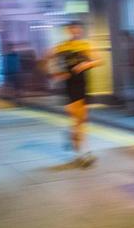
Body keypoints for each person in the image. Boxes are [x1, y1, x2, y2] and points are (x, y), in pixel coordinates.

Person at [44, 21, 102, 166]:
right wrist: (56, 73)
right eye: (73, 29)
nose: (75, 31)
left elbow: (99, 60)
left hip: (83, 85)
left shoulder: (86, 45)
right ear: (68, 30)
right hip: (69, 86)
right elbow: (47, 58)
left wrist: (86, 64)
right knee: (78, 120)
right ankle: (83, 152)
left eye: (78, 29)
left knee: (80, 121)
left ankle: (79, 148)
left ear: (81, 31)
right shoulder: (62, 46)